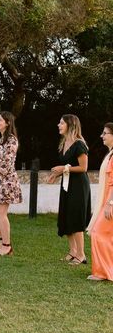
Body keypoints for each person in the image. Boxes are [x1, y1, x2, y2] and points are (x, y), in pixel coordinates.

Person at [48, 114, 91, 266]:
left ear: (70, 125)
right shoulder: (64, 142)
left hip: (79, 186)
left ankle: (81, 255)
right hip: (67, 184)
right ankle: (72, 252)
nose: (58, 125)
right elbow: (68, 167)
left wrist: (63, 168)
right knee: (66, 216)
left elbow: (83, 168)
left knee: (76, 217)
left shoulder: (79, 144)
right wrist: (56, 174)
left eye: (61, 123)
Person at [0, 112, 22, 256]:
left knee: (1, 213)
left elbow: (7, 162)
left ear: (8, 122)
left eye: (0, 120)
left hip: (6, 181)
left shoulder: (12, 140)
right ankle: (2, 240)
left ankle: (7, 246)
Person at [86, 123, 113, 280]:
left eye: (105, 133)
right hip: (108, 202)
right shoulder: (110, 155)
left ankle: (103, 272)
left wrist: (110, 204)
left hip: (110, 203)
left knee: (98, 232)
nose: (102, 136)